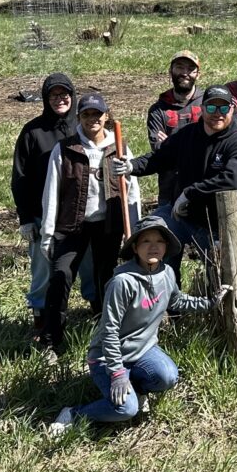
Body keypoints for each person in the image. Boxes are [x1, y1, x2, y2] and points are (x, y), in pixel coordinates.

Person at [47, 216, 228, 436]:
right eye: (146, 242)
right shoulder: (122, 282)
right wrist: (117, 374)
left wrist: (209, 303)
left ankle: (137, 388)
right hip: (108, 357)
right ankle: (74, 414)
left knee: (168, 376)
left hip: (143, 351)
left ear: (166, 246)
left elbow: (176, 301)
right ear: (135, 247)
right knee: (126, 410)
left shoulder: (167, 273)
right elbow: (109, 331)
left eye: (159, 241)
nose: (153, 247)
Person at [38, 93, 142, 355]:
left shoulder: (118, 147)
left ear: (106, 116)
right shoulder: (66, 149)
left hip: (108, 226)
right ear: (79, 117)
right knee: (61, 276)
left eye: (97, 114)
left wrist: (135, 230)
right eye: (86, 114)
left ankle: (106, 331)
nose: (92, 119)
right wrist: (48, 234)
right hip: (73, 225)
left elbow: (132, 191)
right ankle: (51, 341)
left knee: (106, 279)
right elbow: (52, 192)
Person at [112, 85, 237, 278]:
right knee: (152, 231)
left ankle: (213, 302)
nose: (217, 113)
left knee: (220, 273)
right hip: (181, 215)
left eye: (223, 108)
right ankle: (164, 298)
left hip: (215, 223)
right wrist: (131, 166)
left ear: (232, 109)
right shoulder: (187, 135)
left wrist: (189, 193)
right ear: (202, 108)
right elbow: (159, 157)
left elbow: (233, 179)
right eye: (211, 107)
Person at [11, 72, 78, 340]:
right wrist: (26, 218)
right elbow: (20, 178)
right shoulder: (33, 132)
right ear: (46, 98)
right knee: (42, 269)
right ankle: (40, 319)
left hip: (78, 215)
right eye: (53, 95)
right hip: (42, 215)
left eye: (64, 95)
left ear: (73, 97)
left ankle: (95, 312)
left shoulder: (82, 128)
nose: (60, 100)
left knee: (86, 267)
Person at [145, 50, 203, 207]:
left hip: (202, 188)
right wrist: (197, 143)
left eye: (190, 69)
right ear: (170, 71)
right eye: (179, 67)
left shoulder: (207, 104)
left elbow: (213, 144)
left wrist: (170, 141)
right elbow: (160, 149)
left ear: (198, 74)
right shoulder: (158, 110)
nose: (185, 73)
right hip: (168, 190)